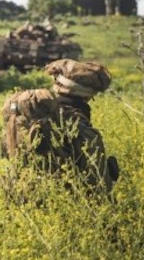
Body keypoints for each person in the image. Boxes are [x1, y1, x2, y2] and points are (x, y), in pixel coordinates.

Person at [2, 58, 118, 200]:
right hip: (60, 202)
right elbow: (99, 187)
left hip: (20, 198)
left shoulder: (26, 114)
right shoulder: (77, 124)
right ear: (88, 95)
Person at [44, 58, 119, 195]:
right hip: (63, 199)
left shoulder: (40, 113)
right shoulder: (79, 124)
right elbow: (97, 183)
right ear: (87, 95)